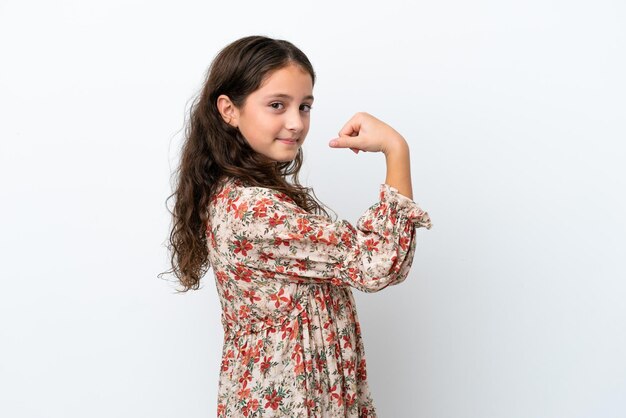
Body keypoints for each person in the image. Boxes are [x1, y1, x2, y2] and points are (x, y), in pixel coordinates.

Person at [161, 35, 433, 417]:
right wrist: (396, 149)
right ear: (229, 110)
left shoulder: (242, 194)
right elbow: (379, 264)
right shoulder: (252, 210)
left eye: (304, 106)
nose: (296, 122)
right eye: (277, 105)